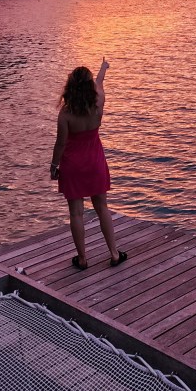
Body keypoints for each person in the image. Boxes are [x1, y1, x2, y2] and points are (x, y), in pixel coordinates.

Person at [50, 57, 126, 270]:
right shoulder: (98, 104)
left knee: (76, 213)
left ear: (71, 86)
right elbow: (99, 83)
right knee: (102, 207)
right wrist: (103, 68)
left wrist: (54, 166)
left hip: (72, 166)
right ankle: (114, 254)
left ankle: (82, 259)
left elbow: (60, 144)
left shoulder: (65, 114)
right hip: (94, 163)